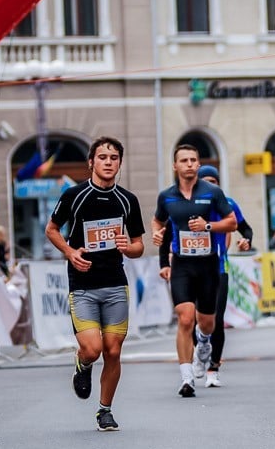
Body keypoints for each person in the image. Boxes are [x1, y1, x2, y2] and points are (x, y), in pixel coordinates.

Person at [44, 136, 145, 431]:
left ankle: (105, 410)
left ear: (120, 164)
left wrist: (129, 246)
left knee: (113, 351)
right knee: (93, 349)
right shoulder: (74, 196)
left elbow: (139, 246)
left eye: (114, 158)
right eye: (103, 157)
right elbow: (51, 229)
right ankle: (83, 364)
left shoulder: (128, 200)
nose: (108, 162)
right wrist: (70, 252)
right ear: (91, 162)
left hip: (115, 283)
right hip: (83, 285)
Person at [152, 145, 237, 398]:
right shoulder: (166, 196)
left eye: (193, 160)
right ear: (175, 166)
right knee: (185, 317)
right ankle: (186, 377)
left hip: (208, 264)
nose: (189, 164)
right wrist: (158, 234)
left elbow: (232, 222)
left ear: (198, 165)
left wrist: (207, 225)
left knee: (207, 323)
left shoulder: (212, 192)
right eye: (184, 160)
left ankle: (203, 341)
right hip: (182, 264)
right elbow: (159, 220)